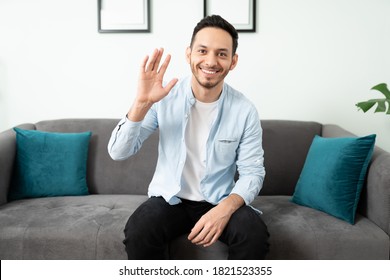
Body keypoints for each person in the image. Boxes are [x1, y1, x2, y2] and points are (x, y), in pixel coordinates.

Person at [108, 15, 269, 260]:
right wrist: (141, 103)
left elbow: (252, 172)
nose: (211, 61)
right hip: (170, 200)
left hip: (218, 199)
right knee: (140, 230)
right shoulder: (163, 98)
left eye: (222, 54)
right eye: (202, 51)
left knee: (253, 233)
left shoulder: (245, 110)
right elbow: (119, 152)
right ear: (189, 54)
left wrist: (225, 208)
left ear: (233, 61)